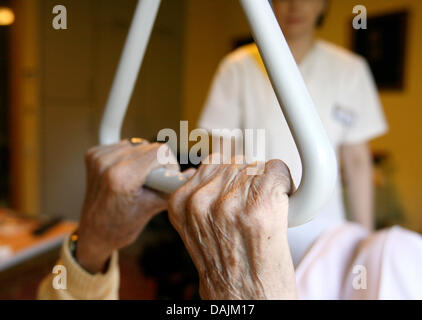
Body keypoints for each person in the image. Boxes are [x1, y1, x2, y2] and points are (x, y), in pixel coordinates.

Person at [37, 140, 422, 300]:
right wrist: (92, 247)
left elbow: (355, 160)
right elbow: (221, 143)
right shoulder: (399, 255)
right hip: (250, 213)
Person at [198, 0, 388, 266]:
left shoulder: (350, 70)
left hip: (326, 232)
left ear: (323, 6)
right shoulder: (237, 67)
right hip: (251, 222)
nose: (295, 6)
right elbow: (221, 155)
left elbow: (357, 162)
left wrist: (365, 241)